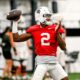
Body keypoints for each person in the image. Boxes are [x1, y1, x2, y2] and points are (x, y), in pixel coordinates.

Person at [10, 6, 69, 80]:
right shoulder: (34, 29)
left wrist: (57, 34)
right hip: (41, 63)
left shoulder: (55, 28)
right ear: (39, 17)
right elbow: (16, 38)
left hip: (54, 62)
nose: (49, 18)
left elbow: (63, 47)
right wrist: (15, 23)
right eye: (46, 16)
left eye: (49, 15)